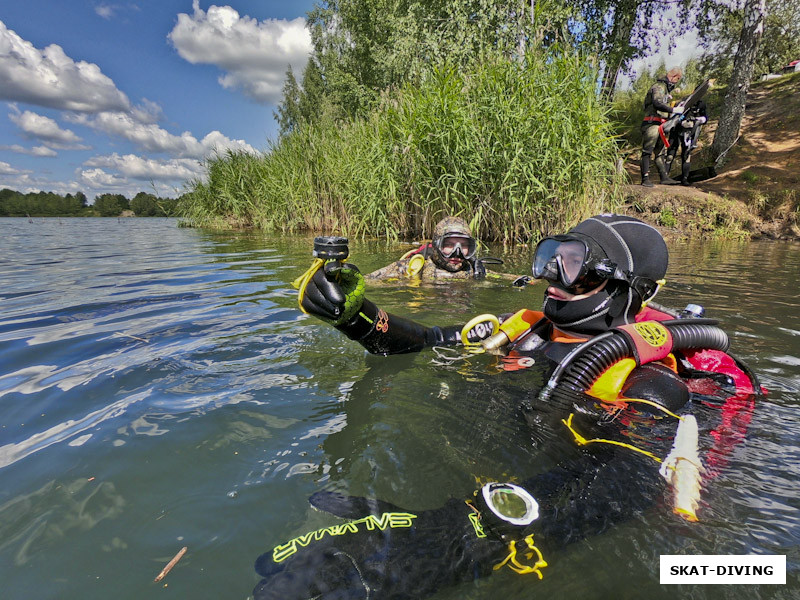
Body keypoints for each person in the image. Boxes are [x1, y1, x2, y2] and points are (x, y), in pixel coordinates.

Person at [261, 214, 761, 599]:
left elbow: (628, 481)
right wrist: (356, 317)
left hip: (520, 499)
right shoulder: (523, 329)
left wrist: (461, 533)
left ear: (632, 291)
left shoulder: (649, 383)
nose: (552, 277)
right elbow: (429, 340)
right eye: (552, 257)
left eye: (575, 267)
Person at [366, 216, 503, 281]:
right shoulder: (412, 268)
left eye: (464, 245)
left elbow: (511, 280)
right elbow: (368, 280)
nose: (457, 252)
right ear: (437, 245)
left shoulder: (475, 271)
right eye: (449, 245)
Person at [640, 67, 684, 187]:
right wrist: (673, 109)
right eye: (677, 80)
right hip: (651, 124)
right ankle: (645, 179)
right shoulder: (659, 87)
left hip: (660, 124)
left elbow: (662, 105)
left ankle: (664, 177)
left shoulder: (665, 90)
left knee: (660, 153)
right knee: (647, 151)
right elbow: (657, 103)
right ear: (673, 77)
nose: (676, 83)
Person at [665, 99, 708, 186]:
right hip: (675, 130)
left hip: (689, 132)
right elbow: (671, 115)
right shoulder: (682, 101)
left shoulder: (701, 104)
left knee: (686, 155)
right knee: (670, 155)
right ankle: (664, 177)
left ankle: (685, 179)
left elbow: (705, 117)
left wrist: (697, 119)